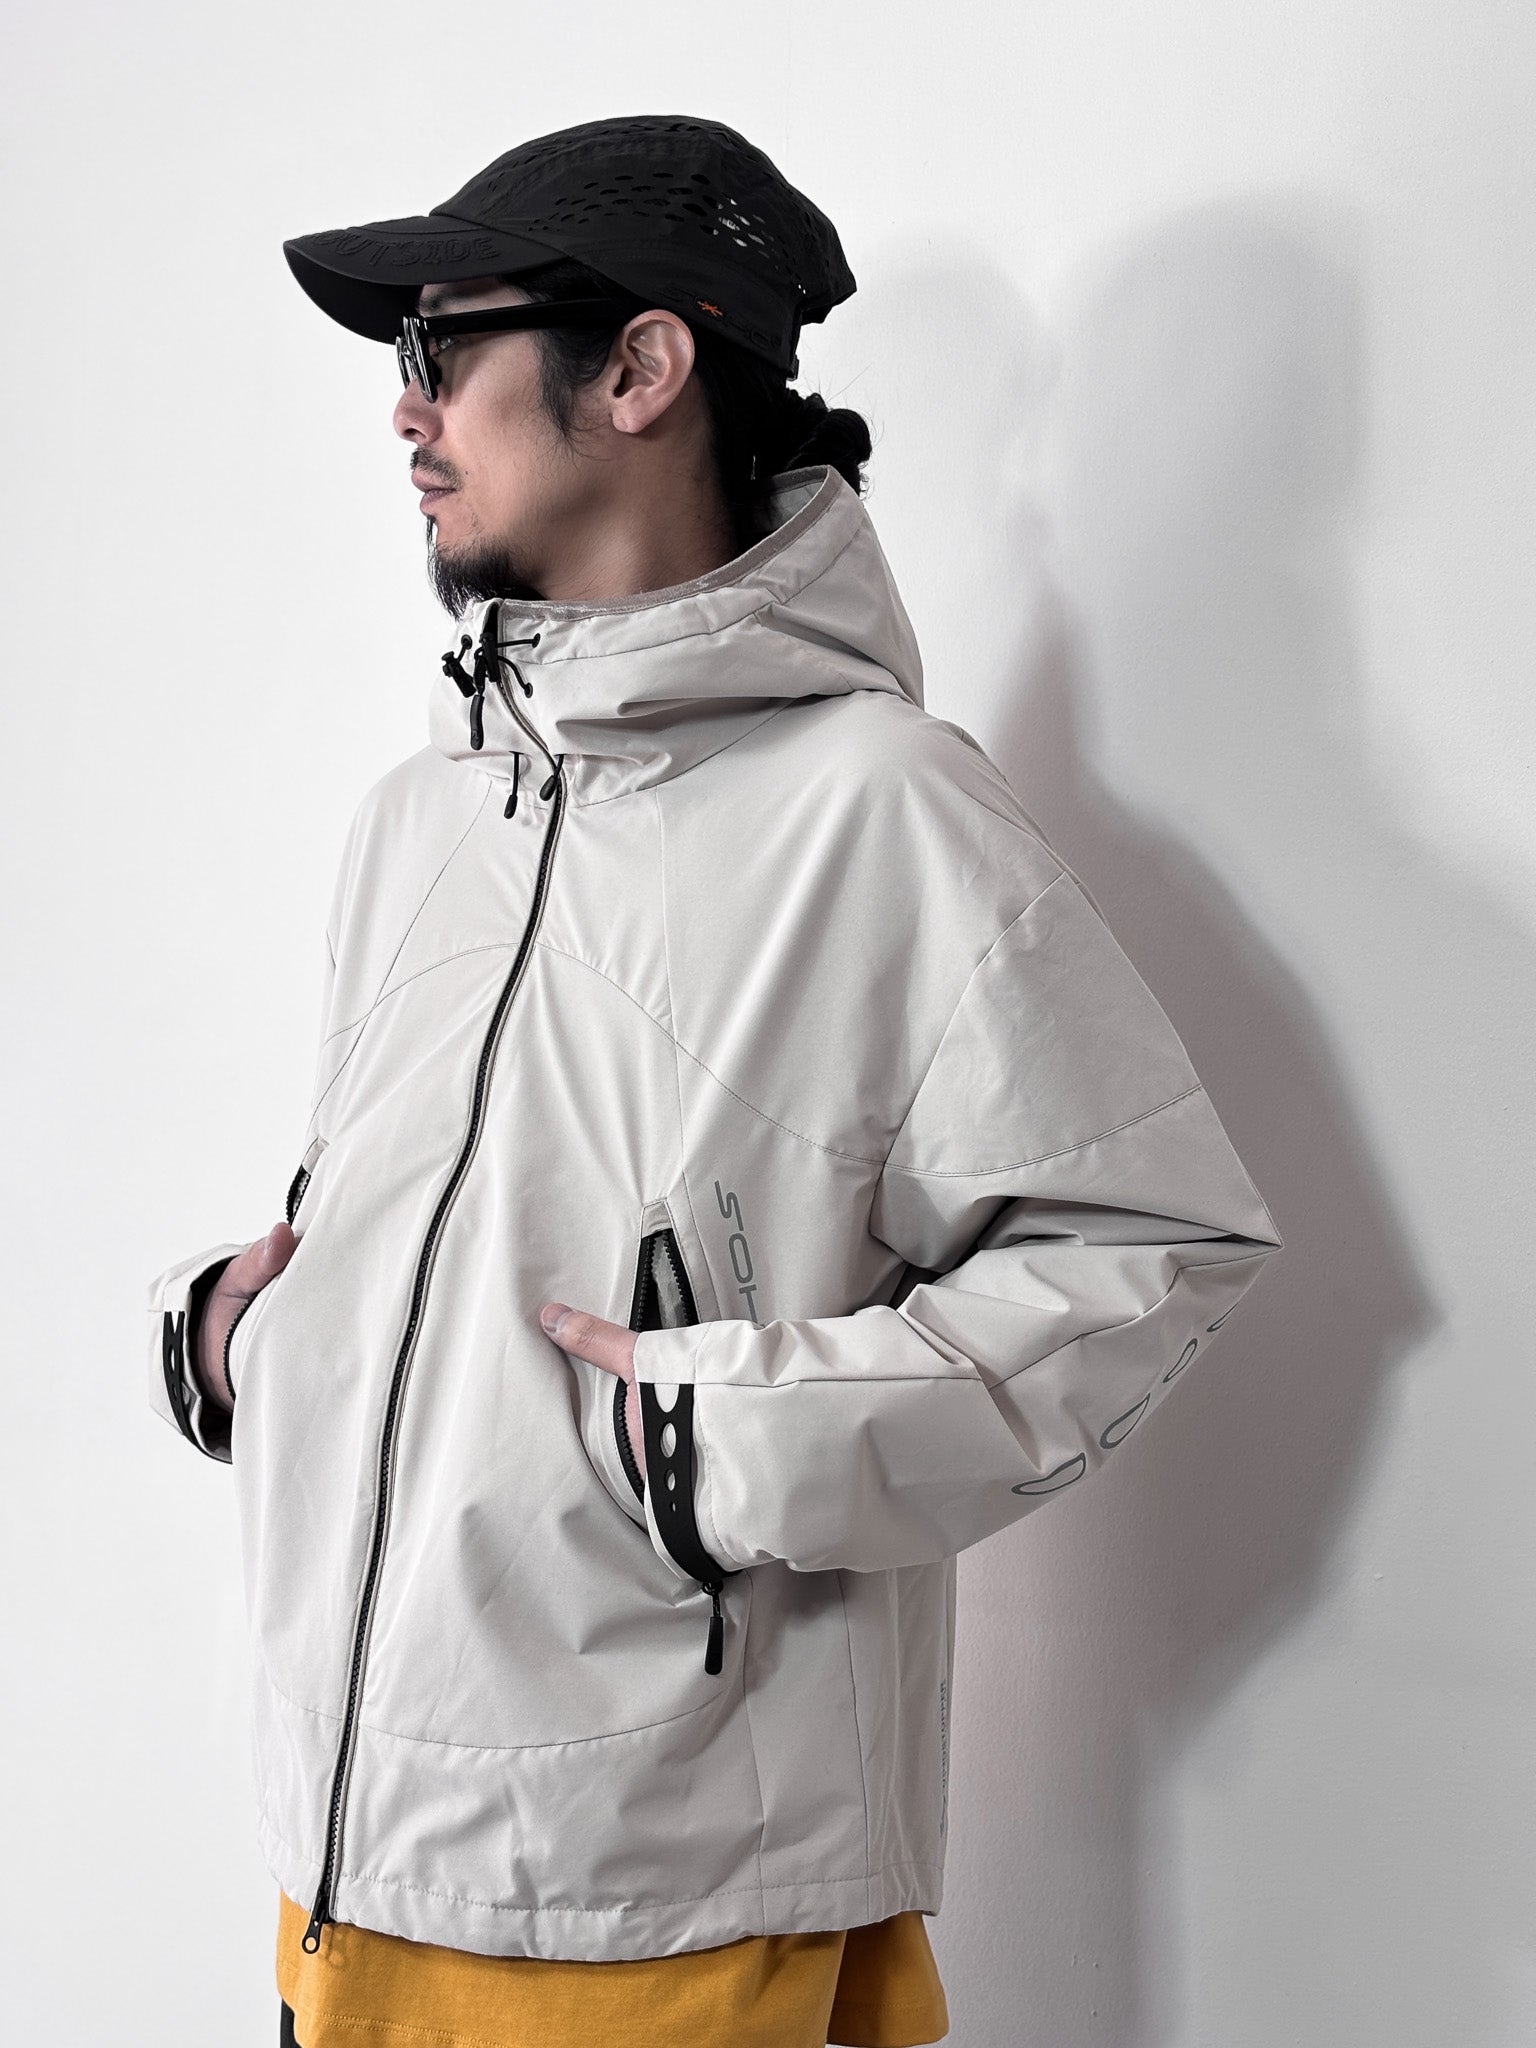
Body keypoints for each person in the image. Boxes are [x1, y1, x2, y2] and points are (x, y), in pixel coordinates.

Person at [145, 114, 1284, 2048]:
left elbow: (1150, 1245)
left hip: (662, 1886)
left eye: (441, 348)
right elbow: (438, 1244)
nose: (405, 410)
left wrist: (721, 1447)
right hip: (342, 1854)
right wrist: (254, 1344)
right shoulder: (421, 815)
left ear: (643, 368)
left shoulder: (884, 810)